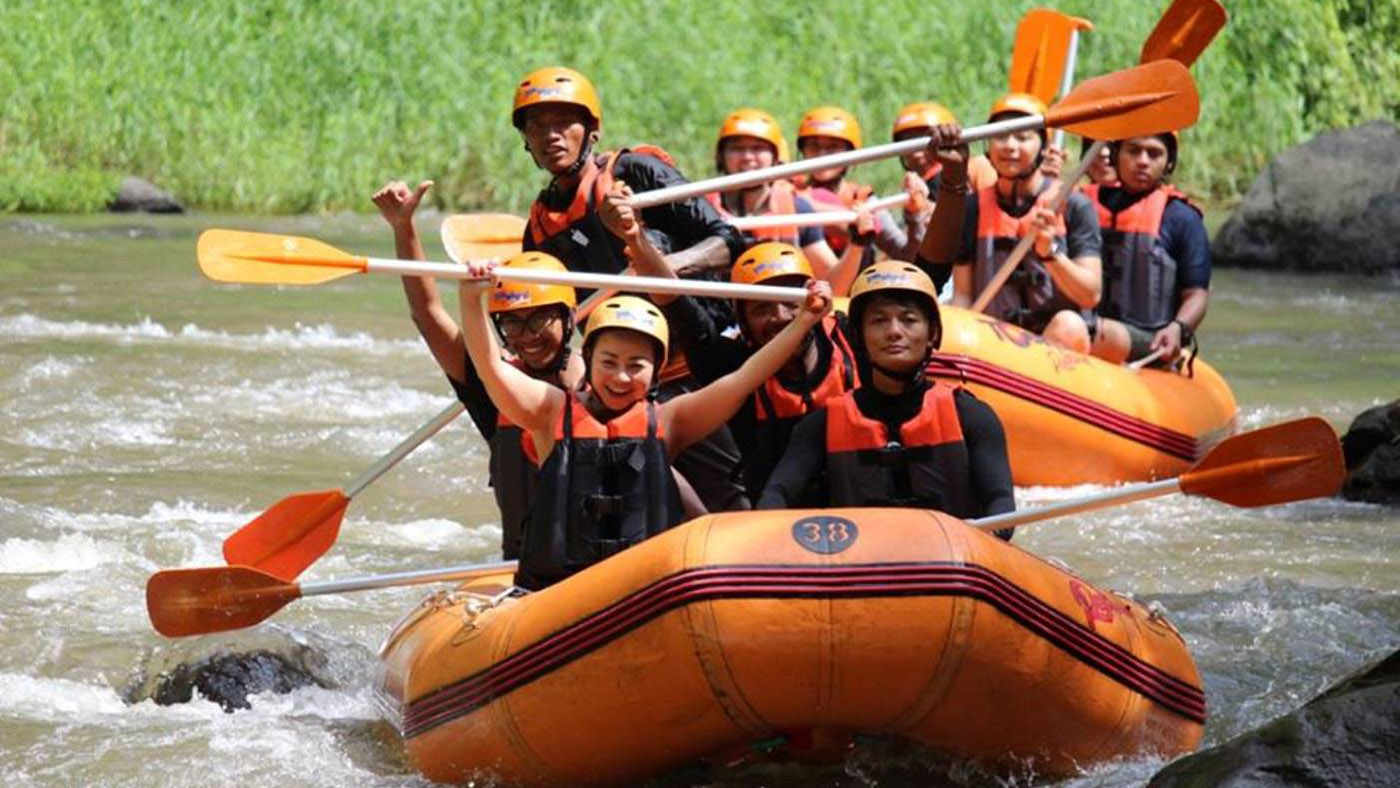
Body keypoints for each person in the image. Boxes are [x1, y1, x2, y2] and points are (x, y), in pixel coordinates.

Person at [458, 257, 833, 589]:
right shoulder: (550, 412)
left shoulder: (671, 420)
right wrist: (471, 297)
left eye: (636, 365)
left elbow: (742, 381)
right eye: (609, 362)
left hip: (644, 591)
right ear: (588, 360)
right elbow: (490, 368)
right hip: (558, 592)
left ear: (656, 375)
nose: (621, 377)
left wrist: (804, 322)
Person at [512, 66, 750, 511]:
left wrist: (660, 267)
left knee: (728, 500)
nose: (551, 136)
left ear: (592, 131)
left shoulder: (636, 173)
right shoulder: (540, 226)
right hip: (622, 380)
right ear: (525, 139)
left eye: (564, 122)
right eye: (537, 126)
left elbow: (728, 241)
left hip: (696, 360)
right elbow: (550, 316)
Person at [372, 182, 583, 559]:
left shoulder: (607, 380)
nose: (527, 337)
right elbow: (429, 314)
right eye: (512, 325)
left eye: (539, 321)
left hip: (599, 566)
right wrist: (404, 228)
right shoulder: (494, 386)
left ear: (568, 319)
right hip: (523, 570)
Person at [758, 263, 1015, 537]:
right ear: (858, 337)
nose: (894, 331)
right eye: (879, 321)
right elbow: (776, 496)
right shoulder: (820, 426)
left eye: (909, 320)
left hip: (953, 567)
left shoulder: (972, 416)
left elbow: (1001, 506)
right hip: (861, 567)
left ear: (933, 335)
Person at [628, 241, 859, 505]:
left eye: (791, 302)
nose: (780, 317)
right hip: (777, 518)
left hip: (864, 514)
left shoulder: (851, 336)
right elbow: (676, 303)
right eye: (762, 308)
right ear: (743, 322)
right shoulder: (729, 361)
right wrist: (634, 238)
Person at [918, 93, 1103, 352]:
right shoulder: (973, 208)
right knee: (946, 319)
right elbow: (962, 294)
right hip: (995, 343)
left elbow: (1090, 294)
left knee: (1069, 324)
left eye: (1023, 137)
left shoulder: (1074, 205)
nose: (1009, 146)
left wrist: (1050, 253)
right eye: (1001, 136)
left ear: (1043, 147)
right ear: (988, 147)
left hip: (1056, 345)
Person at [704, 108, 867, 294]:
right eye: (737, 148)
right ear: (721, 156)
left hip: (783, 316)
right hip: (716, 317)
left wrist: (857, 244)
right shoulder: (701, 210)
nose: (747, 157)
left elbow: (835, 288)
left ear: (775, 157)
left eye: (758, 148)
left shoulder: (796, 209)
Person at [1083, 132, 1211, 365]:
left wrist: (1178, 328)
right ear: (1115, 155)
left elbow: (1197, 294)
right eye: (1133, 151)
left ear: (1168, 162)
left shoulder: (1182, 217)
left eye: (1154, 153)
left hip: (1150, 339)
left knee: (1083, 329)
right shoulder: (1082, 205)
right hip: (1083, 325)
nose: (1143, 161)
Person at [792, 105, 921, 265]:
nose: (822, 155)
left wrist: (915, 218)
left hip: (853, 286)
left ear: (850, 153)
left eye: (832, 147)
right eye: (814, 146)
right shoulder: (790, 191)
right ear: (803, 151)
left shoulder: (864, 199)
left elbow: (906, 256)